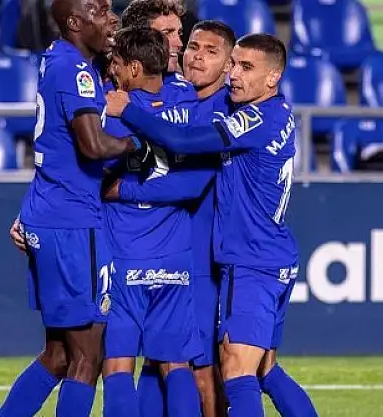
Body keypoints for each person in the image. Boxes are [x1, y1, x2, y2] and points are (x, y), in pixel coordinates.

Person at [105, 34, 319, 417]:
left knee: (236, 370)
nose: (234, 75)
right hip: (276, 255)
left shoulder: (256, 118)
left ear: (273, 77)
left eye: (246, 67)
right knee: (265, 370)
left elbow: (183, 140)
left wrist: (128, 110)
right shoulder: (280, 112)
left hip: (251, 261)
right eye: (234, 64)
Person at [0, 0, 146, 415]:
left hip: (52, 212)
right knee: (87, 357)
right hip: (72, 222)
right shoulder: (75, 70)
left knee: (59, 355)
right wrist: (137, 145)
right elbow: (92, 145)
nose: (111, 18)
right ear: (75, 23)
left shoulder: (58, 58)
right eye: (100, 11)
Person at [112, 19, 235, 417]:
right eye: (189, 44)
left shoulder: (223, 111)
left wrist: (123, 191)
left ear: (229, 64)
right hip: (175, 247)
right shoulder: (177, 96)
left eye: (209, 51)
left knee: (202, 369)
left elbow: (192, 182)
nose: (189, 52)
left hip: (202, 254)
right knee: (160, 363)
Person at [99, 26, 203, 417]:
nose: (113, 70)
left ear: (134, 67)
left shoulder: (115, 111)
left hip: (125, 252)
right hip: (175, 253)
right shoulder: (188, 101)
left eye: (118, 63)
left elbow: (95, 168)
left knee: (117, 363)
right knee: (176, 364)